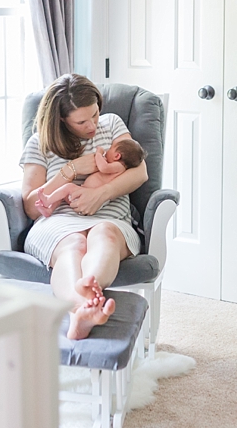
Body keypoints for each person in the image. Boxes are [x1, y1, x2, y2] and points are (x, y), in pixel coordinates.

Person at [20, 74, 148, 340]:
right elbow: (32, 207)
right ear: (61, 120)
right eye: (82, 121)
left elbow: (139, 174)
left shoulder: (112, 124)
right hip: (58, 222)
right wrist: (72, 169)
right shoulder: (39, 144)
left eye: (95, 114)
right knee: (74, 244)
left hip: (112, 218)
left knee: (105, 234)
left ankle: (85, 300)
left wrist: (100, 195)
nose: (92, 125)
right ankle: (81, 309)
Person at [34, 139, 146, 217]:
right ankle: (49, 209)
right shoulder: (118, 166)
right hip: (84, 192)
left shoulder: (119, 166)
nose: (108, 150)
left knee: (67, 187)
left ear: (117, 156)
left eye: (111, 148)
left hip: (89, 198)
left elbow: (103, 167)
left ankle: (48, 199)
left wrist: (99, 153)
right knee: (63, 194)